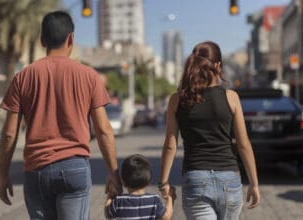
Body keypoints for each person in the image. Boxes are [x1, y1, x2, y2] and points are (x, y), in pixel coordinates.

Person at [0, 11, 122, 220]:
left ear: (42, 40)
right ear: (71, 38)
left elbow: (10, 134)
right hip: (74, 168)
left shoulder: (23, 77)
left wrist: (3, 174)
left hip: (36, 171)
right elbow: (103, 130)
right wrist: (113, 173)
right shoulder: (89, 76)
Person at [159, 41, 260, 220]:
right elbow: (243, 145)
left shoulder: (177, 100)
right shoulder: (231, 98)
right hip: (229, 178)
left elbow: (170, 145)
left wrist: (164, 182)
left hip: (195, 178)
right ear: (218, 65)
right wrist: (254, 183)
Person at [105, 154, 175, 220]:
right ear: (149, 182)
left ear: (123, 181)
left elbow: (107, 214)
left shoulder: (118, 201)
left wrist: (110, 196)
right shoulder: (154, 200)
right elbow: (166, 217)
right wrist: (170, 197)